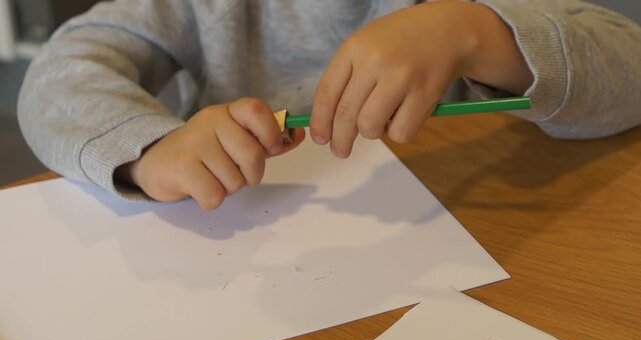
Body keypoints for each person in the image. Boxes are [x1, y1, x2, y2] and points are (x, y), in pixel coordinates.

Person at [18, 0, 641, 209]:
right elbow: (64, 69)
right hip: (235, 253)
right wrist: (150, 148)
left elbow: (628, 66)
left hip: (449, 247)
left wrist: (474, 31)